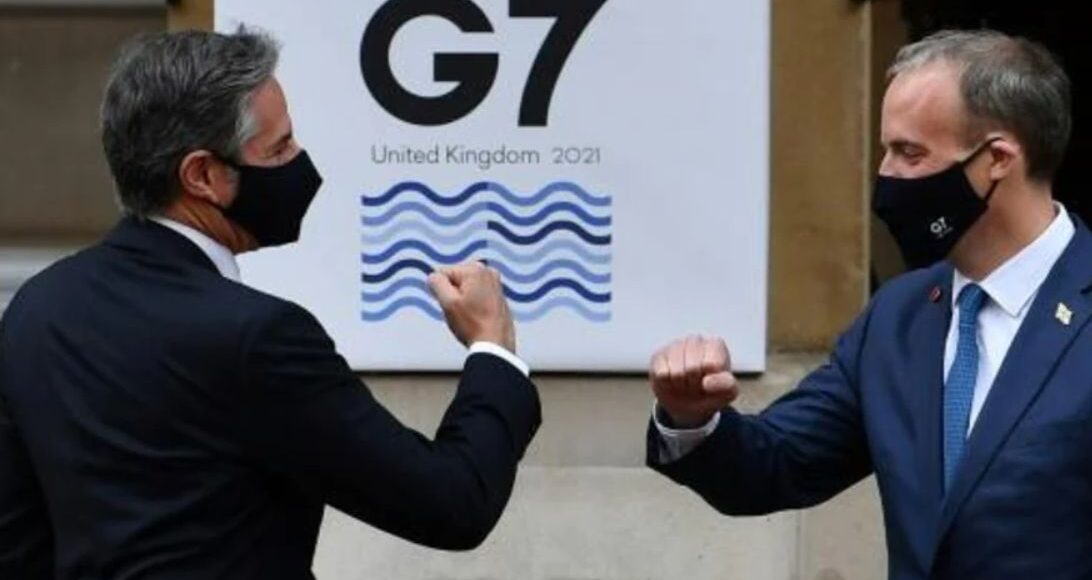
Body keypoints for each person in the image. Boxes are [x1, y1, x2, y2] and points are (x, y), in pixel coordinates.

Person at [0, 29, 540, 579]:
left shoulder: (37, 310)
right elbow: (451, 502)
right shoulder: (257, 337)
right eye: (279, 149)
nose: (299, 161)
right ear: (202, 176)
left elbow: (17, 542)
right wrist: (492, 347)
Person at [647, 30, 1086, 579]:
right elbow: (778, 464)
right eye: (886, 150)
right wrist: (691, 416)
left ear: (997, 158)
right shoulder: (898, 316)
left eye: (910, 153)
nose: (885, 175)